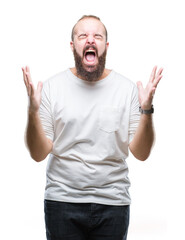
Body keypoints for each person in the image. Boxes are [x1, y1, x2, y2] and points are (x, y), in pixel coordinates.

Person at [22, 15, 163, 240]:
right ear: (73, 45)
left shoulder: (127, 90)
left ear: (105, 46)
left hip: (113, 203)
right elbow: (38, 154)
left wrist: (146, 110)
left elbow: (142, 153)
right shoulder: (51, 88)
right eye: (82, 35)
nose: (90, 40)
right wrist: (32, 112)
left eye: (97, 36)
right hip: (62, 201)